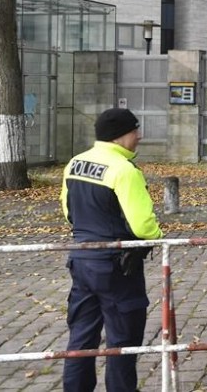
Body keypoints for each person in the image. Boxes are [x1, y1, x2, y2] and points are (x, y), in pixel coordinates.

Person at [60, 107, 163, 392]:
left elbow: (68, 211)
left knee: (81, 338)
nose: (139, 136)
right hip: (117, 266)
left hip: (81, 259)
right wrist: (158, 235)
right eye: (135, 131)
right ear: (121, 136)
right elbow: (143, 226)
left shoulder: (75, 163)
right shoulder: (124, 170)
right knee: (122, 342)